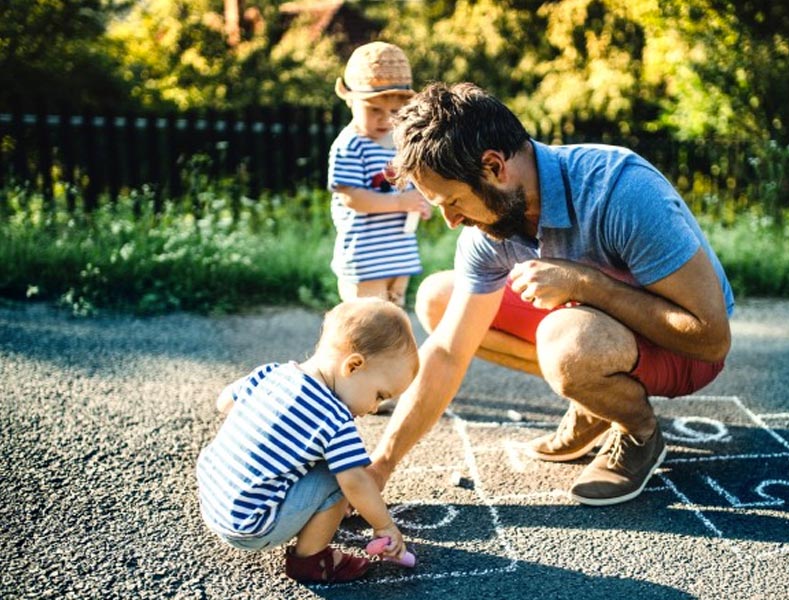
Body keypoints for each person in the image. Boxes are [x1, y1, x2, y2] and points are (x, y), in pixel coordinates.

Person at [369, 82, 734, 507]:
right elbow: (449, 353)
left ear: (493, 167)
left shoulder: (621, 191)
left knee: (566, 343)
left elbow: (710, 340)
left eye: (453, 202)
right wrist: (380, 466)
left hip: (681, 350)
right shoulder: (490, 222)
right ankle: (596, 398)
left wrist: (586, 284)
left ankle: (639, 432)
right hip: (596, 330)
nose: (450, 221)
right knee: (440, 296)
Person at [195, 298, 418, 583]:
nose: (374, 408)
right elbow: (356, 481)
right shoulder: (335, 418)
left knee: (325, 463)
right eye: (379, 395)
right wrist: (385, 525)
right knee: (340, 478)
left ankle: (307, 514)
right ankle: (311, 561)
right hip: (251, 526)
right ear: (353, 366)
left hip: (214, 499)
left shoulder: (272, 372)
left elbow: (224, 402)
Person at [328, 41, 432, 308]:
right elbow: (353, 198)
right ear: (351, 101)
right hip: (365, 258)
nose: (386, 120)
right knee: (368, 320)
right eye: (374, 110)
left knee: (393, 317)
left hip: (399, 253)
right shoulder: (350, 144)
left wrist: (418, 202)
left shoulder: (400, 142)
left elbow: (411, 183)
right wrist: (399, 203)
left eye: (396, 113)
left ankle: (391, 352)